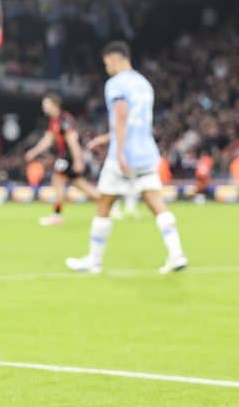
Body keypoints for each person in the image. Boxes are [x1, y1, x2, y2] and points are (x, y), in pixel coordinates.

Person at [66, 41, 187, 274]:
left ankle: (94, 260)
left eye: (106, 63)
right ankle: (177, 254)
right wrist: (107, 137)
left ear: (115, 58)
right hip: (146, 153)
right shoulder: (144, 83)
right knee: (157, 204)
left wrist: (119, 150)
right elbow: (136, 121)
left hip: (123, 156)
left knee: (104, 204)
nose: (106, 68)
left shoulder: (116, 84)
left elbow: (121, 117)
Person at [23, 93, 98, 225]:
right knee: (80, 184)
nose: (43, 107)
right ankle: (107, 203)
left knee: (57, 180)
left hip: (68, 157)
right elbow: (48, 140)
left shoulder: (64, 120)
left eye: (46, 104)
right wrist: (34, 152)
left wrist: (78, 160)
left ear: (55, 105)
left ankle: (57, 216)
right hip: (65, 157)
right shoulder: (55, 121)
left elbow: (73, 141)